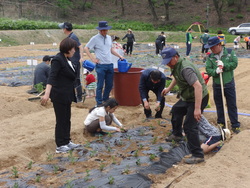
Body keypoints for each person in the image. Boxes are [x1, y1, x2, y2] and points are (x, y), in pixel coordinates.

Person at [161, 47, 209, 164]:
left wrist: (197, 109)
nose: (167, 64)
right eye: (165, 61)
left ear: (176, 57)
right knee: (176, 110)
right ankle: (177, 134)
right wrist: (168, 88)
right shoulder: (176, 65)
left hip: (198, 98)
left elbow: (198, 87)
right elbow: (177, 78)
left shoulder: (185, 68)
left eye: (169, 61)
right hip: (187, 96)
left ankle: (198, 155)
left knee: (189, 126)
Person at [41, 37, 81, 153]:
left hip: (67, 94)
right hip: (59, 95)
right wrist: (47, 94)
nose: (74, 51)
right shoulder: (58, 60)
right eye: (73, 48)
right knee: (61, 119)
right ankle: (60, 145)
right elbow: (52, 77)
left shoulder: (67, 59)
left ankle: (67, 141)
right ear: (68, 48)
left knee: (67, 118)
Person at [205, 36, 241, 134]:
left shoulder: (229, 52)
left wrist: (224, 66)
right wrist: (215, 71)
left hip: (228, 83)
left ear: (218, 45)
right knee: (219, 104)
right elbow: (208, 69)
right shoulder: (210, 57)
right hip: (217, 84)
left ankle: (235, 124)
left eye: (213, 47)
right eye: (210, 47)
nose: (211, 49)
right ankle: (221, 123)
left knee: (231, 104)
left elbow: (234, 64)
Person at [84, 21, 124, 106]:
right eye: (103, 30)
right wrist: (92, 58)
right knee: (100, 85)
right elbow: (86, 48)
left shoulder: (109, 38)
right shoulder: (95, 38)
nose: (104, 32)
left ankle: (105, 99)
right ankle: (99, 102)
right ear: (99, 30)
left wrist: (119, 55)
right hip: (101, 65)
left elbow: (111, 49)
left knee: (109, 84)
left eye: (106, 30)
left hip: (109, 64)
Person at [59, 22, 84, 103]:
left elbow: (80, 47)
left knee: (76, 79)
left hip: (75, 62)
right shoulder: (70, 37)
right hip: (72, 61)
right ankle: (76, 96)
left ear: (65, 29)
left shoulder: (73, 37)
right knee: (72, 79)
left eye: (63, 28)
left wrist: (81, 57)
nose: (62, 29)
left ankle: (79, 98)